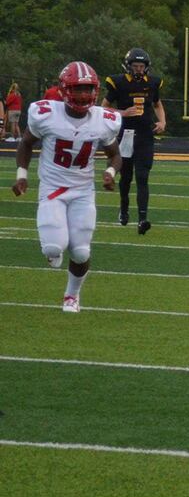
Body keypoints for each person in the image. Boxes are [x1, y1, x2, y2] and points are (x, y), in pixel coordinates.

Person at [11, 62, 124, 312]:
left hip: (83, 191)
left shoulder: (103, 120)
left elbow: (115, 155)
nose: (83, 95)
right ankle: (55, 247)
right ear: (64, 90)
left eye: (87, 89)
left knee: (81, 252)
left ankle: (71, 296)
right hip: (53, 188)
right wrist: (22, 175)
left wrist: (109, 171)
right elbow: (26, 143)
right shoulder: (46, 113)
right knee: (53, 247)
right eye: (78, 89)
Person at [102, 48, 166, 234]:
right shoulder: (119, 83)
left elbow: (157, 104)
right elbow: (104, 108)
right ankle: (123, 208)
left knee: (143, 177)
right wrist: (122, 113)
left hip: (145, 134)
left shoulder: (153, 83)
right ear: (128, 66)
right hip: (126, 134)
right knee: (126, 177)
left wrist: (162, 121)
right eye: (135, 66)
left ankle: (143, 219)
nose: (138, 69)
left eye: (141, 66)